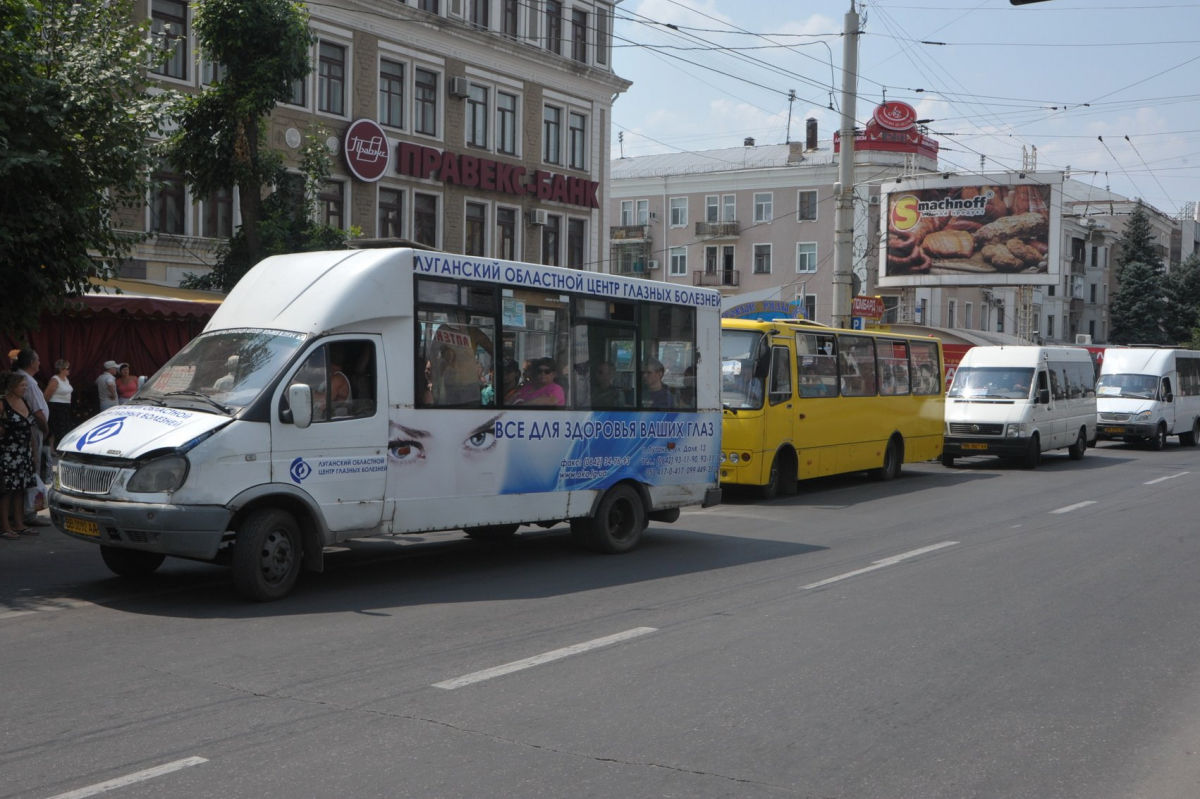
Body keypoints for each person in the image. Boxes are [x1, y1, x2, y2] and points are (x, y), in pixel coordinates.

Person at [0, 372, 37, 538]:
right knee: (7, 490)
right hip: (8, 453)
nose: (25, 388)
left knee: (21, 489)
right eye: (22, 385)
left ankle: (19, 523)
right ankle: (5, 527)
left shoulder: (24, 401)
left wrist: (33, 452)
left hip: (24, 452)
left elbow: (30, 429)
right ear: (12, 386)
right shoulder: (3, 404)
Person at [43, 359, 74, 451]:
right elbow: (46, 395)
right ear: (61, 369)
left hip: (65, 406)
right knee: (56, 428)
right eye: (68, 368)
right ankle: (52, 448)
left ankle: (59, 447)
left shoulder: (66, 379)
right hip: (56, 406)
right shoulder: (55, 380)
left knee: (64, 427)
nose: (69, 370)